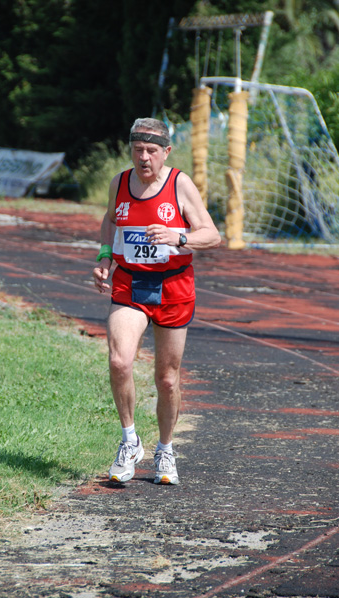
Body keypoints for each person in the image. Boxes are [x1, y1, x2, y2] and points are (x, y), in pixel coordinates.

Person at [92, 117, 221, 485]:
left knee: (166, 379)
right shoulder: (120, 181)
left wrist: (178, 236)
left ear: (166, 152)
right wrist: (104, 257)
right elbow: (110, 221)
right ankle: (130, 440)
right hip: (130, 283)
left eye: (151, 151)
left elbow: (212, 235)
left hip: (173, 287)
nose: (144, 158)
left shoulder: (180, 184)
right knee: (119, 360)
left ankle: (165, 449)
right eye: (137, 150)